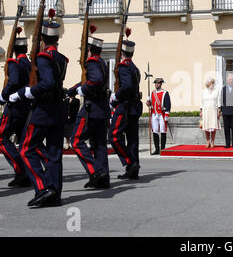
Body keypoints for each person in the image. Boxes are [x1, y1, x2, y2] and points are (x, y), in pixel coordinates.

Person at [10, 19, 68, 207]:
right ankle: (55, 192)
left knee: (26, 149)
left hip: (43, 110)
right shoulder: (60, 58)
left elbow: (48, 83)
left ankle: (44, 188)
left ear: (42, 39)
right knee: (54, 153)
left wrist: (27, 91)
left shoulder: (44, 57)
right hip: (58, 110)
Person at [68, 33, 111, 189]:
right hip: (101, 110)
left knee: (76, 141)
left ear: (90, 51)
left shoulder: (92, 62)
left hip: (91, 110)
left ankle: (96, 171)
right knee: (99, 144)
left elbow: (95, 80)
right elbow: (87, 81)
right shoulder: (101, 62)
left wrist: (82, 90)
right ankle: (103, 178)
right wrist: (73, 90)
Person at [109, 40, 143, 180]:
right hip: (133, 107)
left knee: (114, 135)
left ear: (122, 53)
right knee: (132, 140)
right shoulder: (134, 67)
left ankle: (130, 162)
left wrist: (115, 96)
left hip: (125, 107)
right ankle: (132, 171)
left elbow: (127, 86)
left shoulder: (124, 66)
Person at [0, 35, 31, 188]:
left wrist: (3, 95)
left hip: (14, 108)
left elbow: (13, 81)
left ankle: (21, 171)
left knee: (2, 138)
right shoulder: (29, 63)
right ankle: (27, 172)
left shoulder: (15, 63)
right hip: (26, 108)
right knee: (24, 142)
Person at [147, 78, 171, 155]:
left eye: (158, 83)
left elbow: (168, 104)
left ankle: (163, 149)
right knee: (155, 131)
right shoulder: (151, 93)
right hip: (154, 114)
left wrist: (167, 114)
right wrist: (148, 103)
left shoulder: (165, 93)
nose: (157, 84)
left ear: (161, 84)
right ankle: (157, 149)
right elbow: (149, 103)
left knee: (163, 131)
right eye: (156, 83)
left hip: (162, 114)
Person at [220, 73, 233, 148]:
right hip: (225, 112)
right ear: (227, 80)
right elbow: (221, 100)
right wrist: (221, 110)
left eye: (232, 79)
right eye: (229, 79)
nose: (230, 80)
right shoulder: (223, 89)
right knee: (226, 129)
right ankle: (227, 144)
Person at [200, 77, 221, 148]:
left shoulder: (216, 91)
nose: (211, 84)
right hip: (206, 111)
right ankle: (208, 141)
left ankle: (212, 141)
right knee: (207, 127)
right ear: (207, 83)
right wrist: (201, 111)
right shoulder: (203, 91)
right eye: (210, 82)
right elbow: (202, 102)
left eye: (212, 82)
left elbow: (218, 101)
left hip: (213, 111)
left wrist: (219, 111)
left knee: (213, 127)